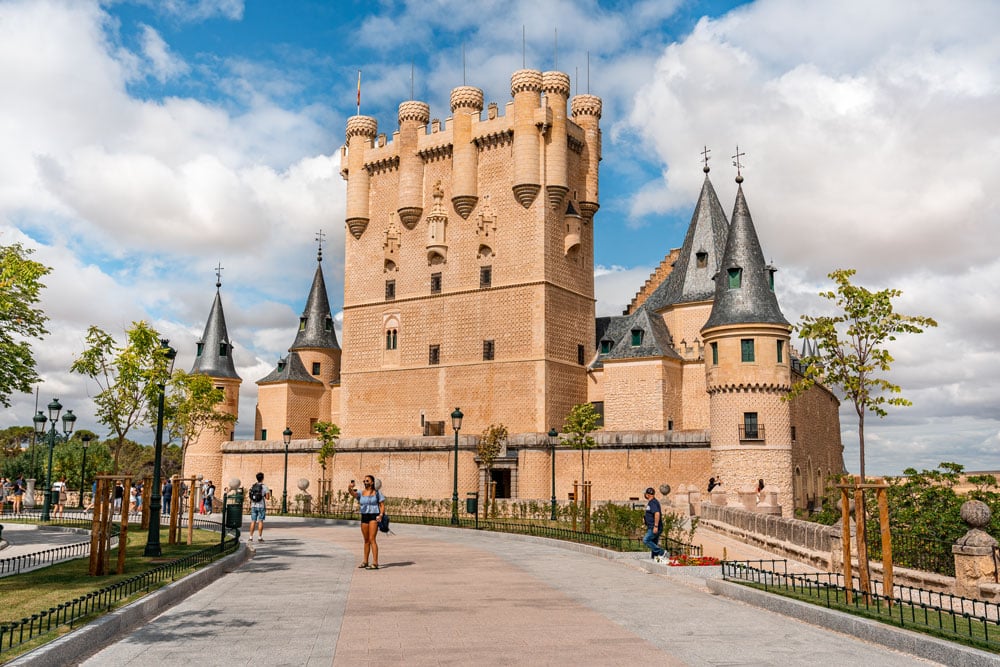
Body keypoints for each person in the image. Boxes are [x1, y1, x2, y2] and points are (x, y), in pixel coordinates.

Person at [348, 475, 385, 570]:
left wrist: (380, 515)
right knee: (366, 540)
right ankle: (365, 561)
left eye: (367, 480)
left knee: (372, 538)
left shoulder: (377, 493)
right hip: (364, 516)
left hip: (374, 516)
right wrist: (349, 488)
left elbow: (382, 505)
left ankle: (375, 563)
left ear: (372, 482)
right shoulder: (361, 492)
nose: (365, 482)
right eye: (364, 481)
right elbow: (353, 494)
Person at [642, 486, 667, 563]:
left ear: (647, 495)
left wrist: (655, 526)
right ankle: (655, 559)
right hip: (652, 526)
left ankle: (661, 552)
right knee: (654, 542)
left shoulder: (652, 502)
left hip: (654, 527)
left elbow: (657, 513)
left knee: (646, 540)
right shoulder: (653, 502)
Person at [247, 472, 271, 542]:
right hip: (261, 506)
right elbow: (267, 498)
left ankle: (250, 537)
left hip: (253, 505)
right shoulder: (264, 487)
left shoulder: (253, 486)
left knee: (253, 521)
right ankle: (260, 537)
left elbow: (250, 496)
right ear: (263, 478)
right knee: (260, 521)